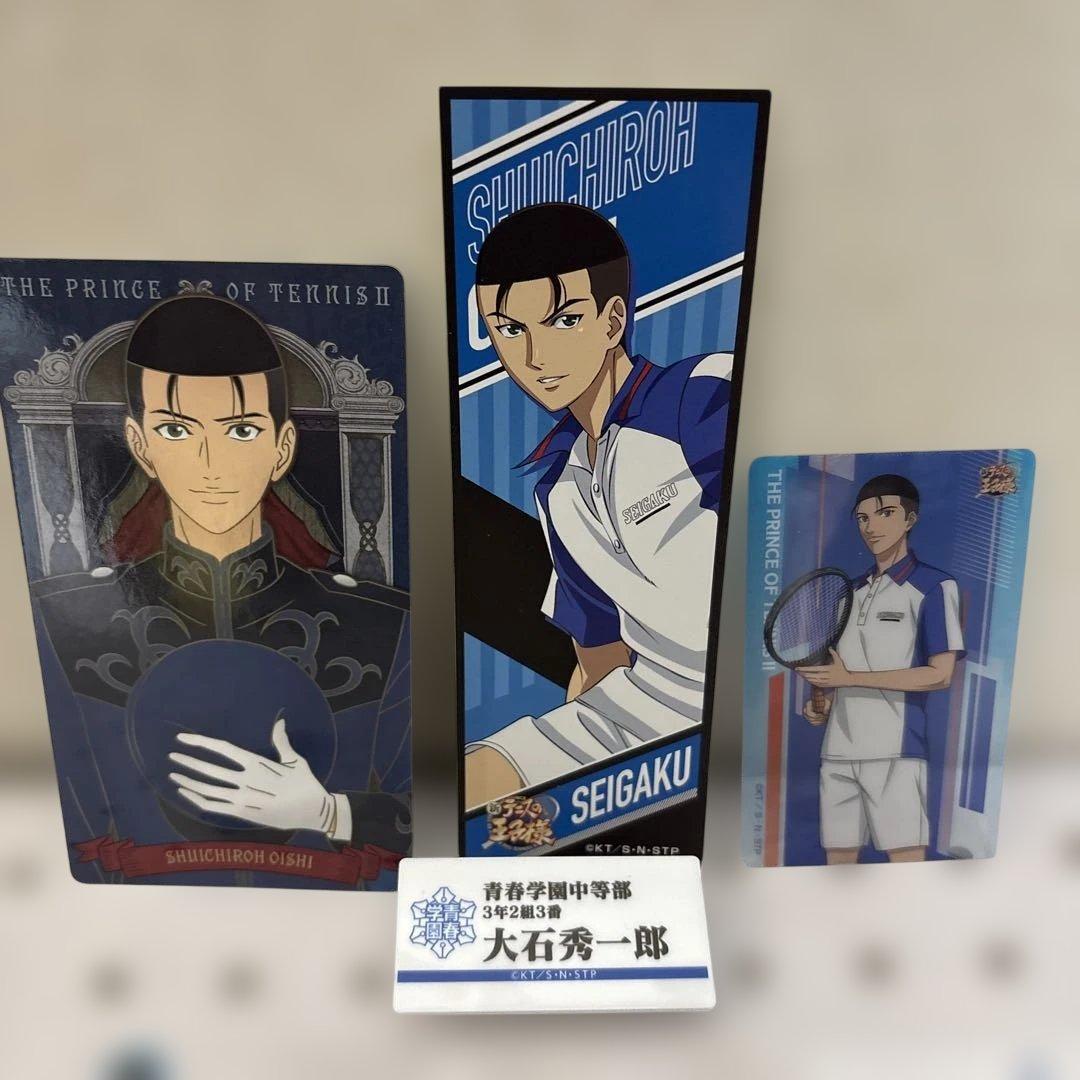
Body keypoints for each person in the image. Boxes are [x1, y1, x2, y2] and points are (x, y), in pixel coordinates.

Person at [33, 293, 410, 883]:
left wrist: (330, 813)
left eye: (241, 429)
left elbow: (431, 815)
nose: (210, 463)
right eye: (176, 429)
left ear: (282, 447)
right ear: (140, 444)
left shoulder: (379, 622)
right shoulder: (62, 621)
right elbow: (71, 822)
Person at [464, 203, 732, 806]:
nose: (534, 356)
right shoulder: (556, 487)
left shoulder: (701, 396)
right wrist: (583, 796)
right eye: (509, 330)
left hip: (738, 708)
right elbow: (600, 658)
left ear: (613, 321)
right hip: (636, 716)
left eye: (563, 320)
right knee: (472, 789)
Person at [797, 474, 965, 863]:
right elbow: (841, 672)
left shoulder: (935, 587)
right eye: (862, 518)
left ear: (910, 519)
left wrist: (849, 679)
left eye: (885, 513)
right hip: (837, 754)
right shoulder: (848, 593)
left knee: (907, 868)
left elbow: (940, 674)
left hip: (896, 754)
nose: (871, 526)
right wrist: (823, 705)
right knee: (837, 871)